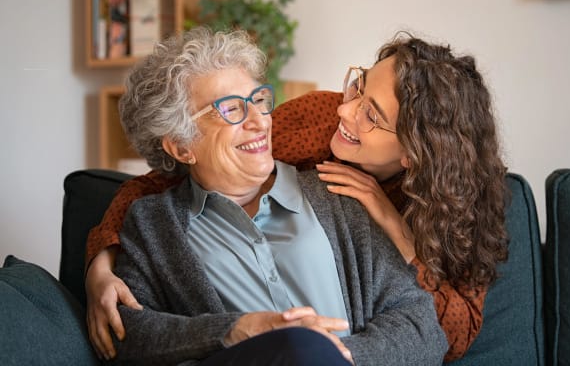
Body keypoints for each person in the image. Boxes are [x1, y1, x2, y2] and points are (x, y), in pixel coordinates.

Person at [85, 31, 508, 362]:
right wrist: (99, 266)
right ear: (181, 144)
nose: (346, 111)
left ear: (415, 153)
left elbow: (437, 331)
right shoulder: (318, 125)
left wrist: (335, 356)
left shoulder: (350, 201)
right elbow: (152, 185)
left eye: (258, 102)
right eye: (232, 108)